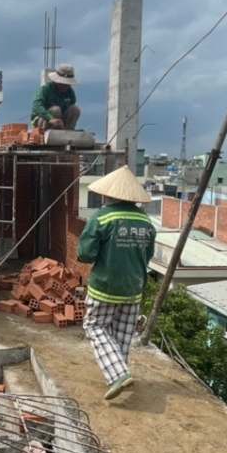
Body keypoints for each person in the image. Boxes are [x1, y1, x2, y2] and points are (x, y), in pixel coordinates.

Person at [77, 165, 156, 401]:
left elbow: (85, 254)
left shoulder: (102, 217)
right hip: (134, 288)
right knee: (121, 334)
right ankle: (120, 374)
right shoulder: (145, 221)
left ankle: (119, 375)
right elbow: (148, 255)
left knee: (95, 326)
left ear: (108, 194)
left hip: (105, 286)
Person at [30, 64, 81, 131]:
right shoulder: (46, 89)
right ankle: (48, 131)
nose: (65, 86)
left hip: (61, 121)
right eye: (62, 83)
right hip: (43, 120)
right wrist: (50, 118)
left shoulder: (70, 92)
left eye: (67, 84)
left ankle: (68, 131)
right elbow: (37, 106)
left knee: (75, 109)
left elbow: (72, 104)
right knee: (56, 110)